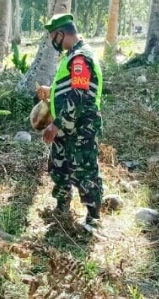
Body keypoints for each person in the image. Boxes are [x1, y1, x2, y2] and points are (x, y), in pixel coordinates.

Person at [35, 13, 104, 227]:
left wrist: (56, 125)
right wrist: (52, 91)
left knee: (84, 170)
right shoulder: (71, 56)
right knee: (59, 168)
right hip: (67, 127)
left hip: (81, 127)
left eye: (52, 37)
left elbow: (79, 94)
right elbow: (71, 88)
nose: (52, 42)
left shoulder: (80, 58)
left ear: (61, 34)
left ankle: (93, 217)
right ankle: (62, 209)